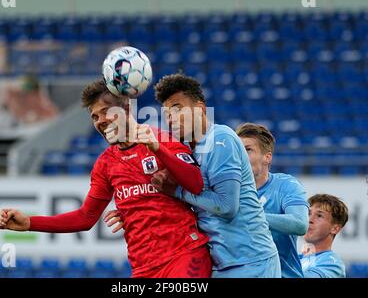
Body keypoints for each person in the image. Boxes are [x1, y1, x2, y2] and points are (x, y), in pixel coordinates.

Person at [0, 79, 212, 278]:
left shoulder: (163, 140)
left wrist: (158, 150)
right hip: (143, 267)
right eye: (94, 116)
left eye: (105, 112)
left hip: (184, 255)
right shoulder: (106, 164)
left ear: (126, 109)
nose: (100, 121)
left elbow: (196, 184)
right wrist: (30, 222)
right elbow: (85, 217)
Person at [108, 74, 281, 278]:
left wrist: (177, 191)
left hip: (252, 261)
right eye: (167, 113)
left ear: (200, 109)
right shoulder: (188, 150)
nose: (171, 118)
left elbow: (227, 207)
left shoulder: (220, 139)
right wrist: (135, 210)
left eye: (177, 108)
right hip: (221, 263)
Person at [235, 123, 309, 278]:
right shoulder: (226, 190)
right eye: (237, 150)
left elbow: (300, 224)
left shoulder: (285, 185)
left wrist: (251, 216)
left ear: (267, 157)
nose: (240, 156)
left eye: (247, 150)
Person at [300, 194, 348, 278]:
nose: (309, 220)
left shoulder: (333, 264)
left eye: (319, 215)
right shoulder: (295, 259)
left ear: (335, 229)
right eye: (308, 213)